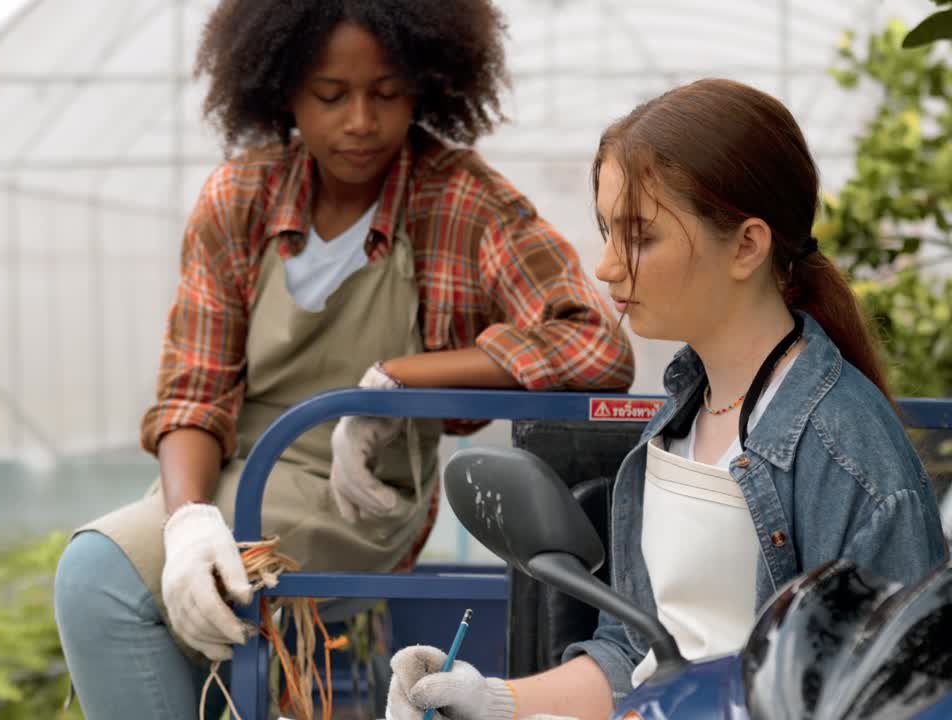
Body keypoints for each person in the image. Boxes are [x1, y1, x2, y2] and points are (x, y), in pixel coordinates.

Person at [52, 0, 635, 717]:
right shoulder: (241, 197)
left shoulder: (455, 199)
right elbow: (192, 395)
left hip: (357, 497)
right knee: (158, 591)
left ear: (427, 85)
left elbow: (593, 343)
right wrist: (188, 522)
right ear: (282, 89)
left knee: (98, 577)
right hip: (244, 474)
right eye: (331, 96)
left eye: (387, 94)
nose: (361, 120)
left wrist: (398, 381)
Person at [385, 78, 950, 720]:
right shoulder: (677, 421)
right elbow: (641, 657)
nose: (604, 266)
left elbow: (896, 695)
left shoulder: (849, 453)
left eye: (640, 236)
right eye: (606, 229)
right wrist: (489, 697)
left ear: (746, 245)